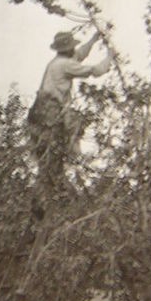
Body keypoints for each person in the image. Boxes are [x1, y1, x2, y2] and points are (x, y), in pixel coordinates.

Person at [27, 30, 111, 211]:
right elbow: (95, 70)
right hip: (49, 116)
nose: (74, 49)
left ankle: (49, 200)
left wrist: (94, 40)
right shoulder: (64, 65)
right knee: (52, 161)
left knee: (48, 161)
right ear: (68, 49)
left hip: (39, 114)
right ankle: (53, 202)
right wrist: (110, 57)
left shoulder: (58, 62)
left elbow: (79, 55)